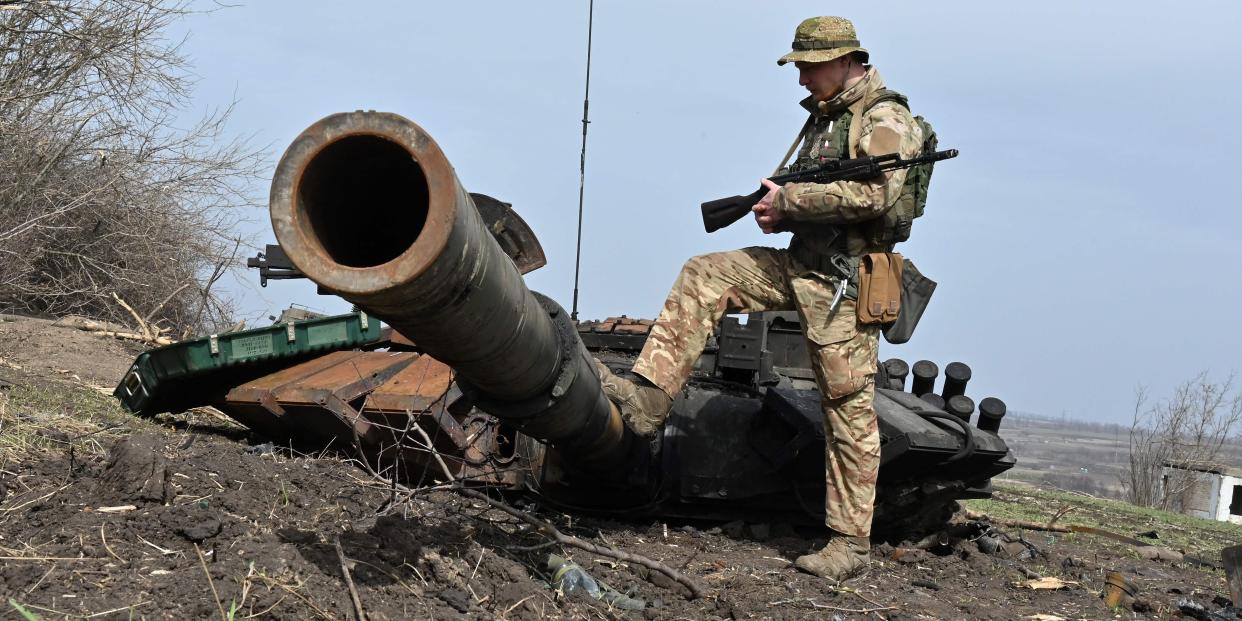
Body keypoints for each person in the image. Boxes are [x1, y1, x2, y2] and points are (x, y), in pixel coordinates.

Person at [597, 16, 925, 580]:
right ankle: (649, 403)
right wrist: (778, 209)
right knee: (706, 273)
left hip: (845, 283)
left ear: (845, 60)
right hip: (800, 265)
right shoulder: (826, 119)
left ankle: (849, 543)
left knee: (846, 409)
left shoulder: (884, 116)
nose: (801, 80)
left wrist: (793, 201)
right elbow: (814, 195)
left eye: (807, 67)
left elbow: (876, 192)